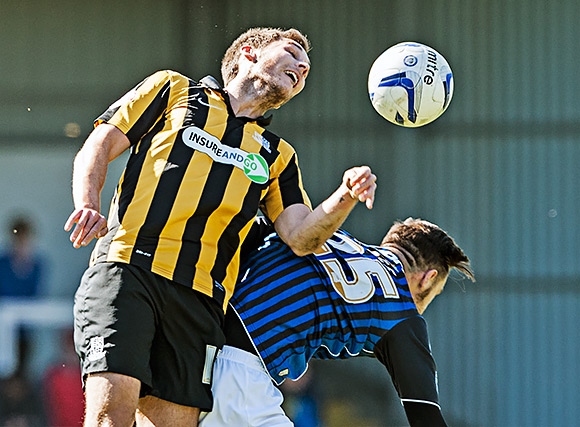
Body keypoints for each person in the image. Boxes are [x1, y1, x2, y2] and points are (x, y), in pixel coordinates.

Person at [63, 27, 377, 427]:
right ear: (248, 52)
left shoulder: (278, 155)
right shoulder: (173, 90)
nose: (302, 67)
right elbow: (99, 145)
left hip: (199, 301)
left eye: (307, 68)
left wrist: (345, 196)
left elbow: (301, 237)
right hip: (129, 270)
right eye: (293, 53)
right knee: (111, 417)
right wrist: (88, 204)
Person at [200, 217, 475, 427]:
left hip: (197, 339)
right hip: (240, 374)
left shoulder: (321, 234)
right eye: (432, 295)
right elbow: (424, 413)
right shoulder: (401, 308)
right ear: (427, 278)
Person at [0, 215, 45, 298]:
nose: (22, 245)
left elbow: (37, 296)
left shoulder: (38, 265)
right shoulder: (2, 264)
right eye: (19, 241)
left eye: (25, 241)